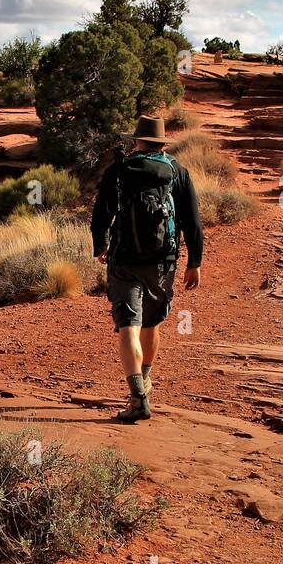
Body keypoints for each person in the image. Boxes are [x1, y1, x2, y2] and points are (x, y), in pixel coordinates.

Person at [91, 114, 203, 423]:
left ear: (137, 141)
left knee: (129, 325)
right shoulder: (177, 172)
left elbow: (101, 212)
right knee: (152, 323)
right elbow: (192, 222)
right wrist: (194, 262)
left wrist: (100, 245)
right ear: (162, 143)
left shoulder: (120, 169)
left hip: (124, 259)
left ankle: (138, 396)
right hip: (162, 262)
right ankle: (146, 379)